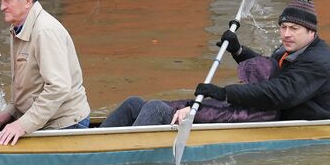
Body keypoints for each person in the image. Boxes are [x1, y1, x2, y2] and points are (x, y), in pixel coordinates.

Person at [185, 0, 330, 122]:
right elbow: (268, 70)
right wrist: (238, 51)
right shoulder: (292, 47)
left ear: (312, 32)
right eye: (283, 27)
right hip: (283, 110)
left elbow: (280, 92)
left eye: (294, 28)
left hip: (314, 121)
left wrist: (226, 93)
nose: (286, 34)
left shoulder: (319, 61)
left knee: (221, 107)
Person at [0, 0, 91, 145]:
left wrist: (22, 125)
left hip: (66, 124)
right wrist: (11, 111)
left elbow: (58, 88)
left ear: (27, 1)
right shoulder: (18, 26)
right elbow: (27, 84)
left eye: (7, 0)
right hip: (44, 119)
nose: (2, 6)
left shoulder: (45, 31)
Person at [100, 56, 278, 128]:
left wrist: (193, 110)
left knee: (154, 107)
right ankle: (94, 142)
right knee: (134, 103)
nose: (241, 82)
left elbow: (222, 115)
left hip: (193, 122)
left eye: (245, 80)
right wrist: (186, 105)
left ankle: (124, 150)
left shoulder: (262, 110)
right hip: (191, 115)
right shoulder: (249, 97)